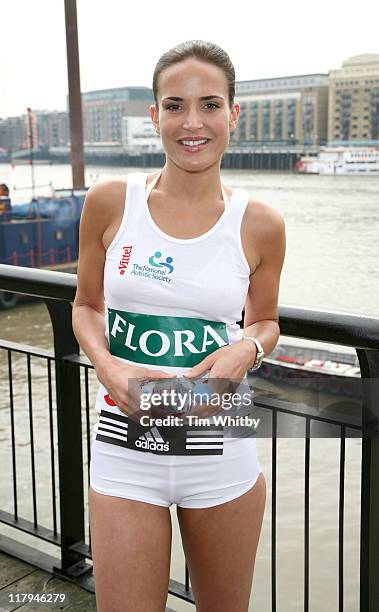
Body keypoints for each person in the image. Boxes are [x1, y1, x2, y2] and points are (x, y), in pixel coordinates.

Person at [72, 40, 286, 612]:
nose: (193, 122)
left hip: (220, 444)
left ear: (233, 114)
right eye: (175, 105)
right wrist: (109, 366)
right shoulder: (111, 203)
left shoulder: (260, 223)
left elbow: (265, 320)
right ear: (155, 116)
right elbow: (85, 306)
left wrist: (248, 348)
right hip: (126, 443)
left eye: (210, 104)